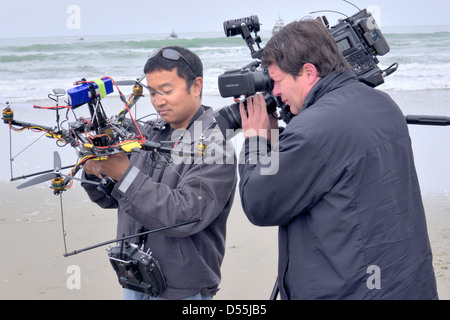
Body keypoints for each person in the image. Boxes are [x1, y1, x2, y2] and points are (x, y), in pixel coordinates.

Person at [238, 19, 438, 299]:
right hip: (405, 284)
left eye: (278, 81)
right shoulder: (382, 103)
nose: (275, 93)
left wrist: (257, 141)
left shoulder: (312, 132)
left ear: (308, 72)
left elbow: (259, 202)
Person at [81, 46, 237, 300]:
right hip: (134, 279)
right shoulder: (148, 133)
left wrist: (125, 175)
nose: (158, 101)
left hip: (183, 290)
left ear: (196, 86)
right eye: (152, 92)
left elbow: (185, 214)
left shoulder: (216, 146)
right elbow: (111, 198)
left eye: (167, 91)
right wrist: (96, 169)